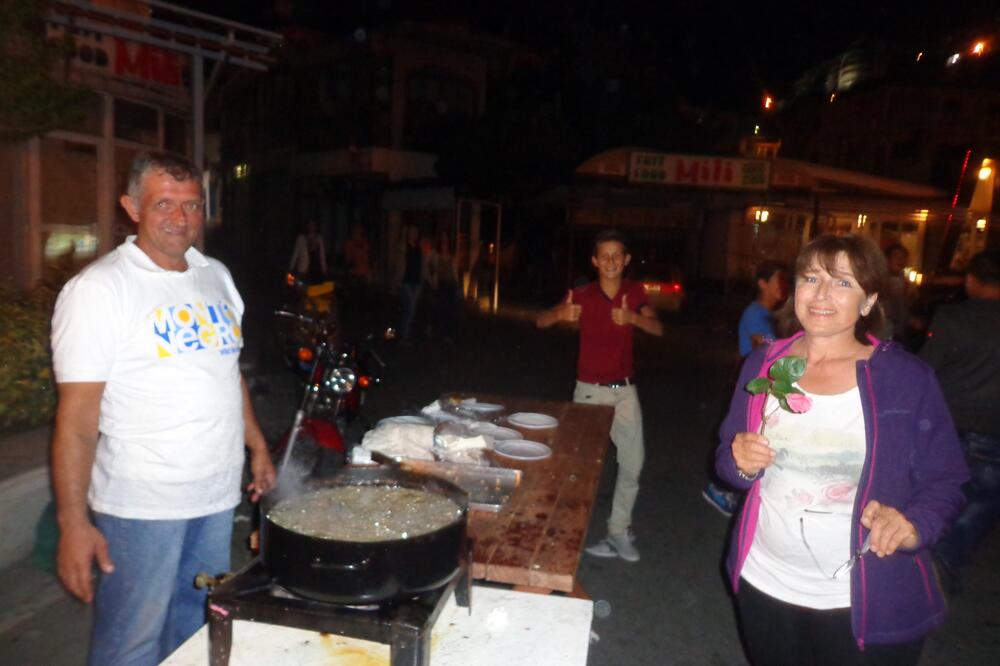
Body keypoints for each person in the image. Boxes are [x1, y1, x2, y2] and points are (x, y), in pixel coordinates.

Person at [50, 152, 277, 666]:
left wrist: (257, 445)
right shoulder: (98, 290)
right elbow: (78, 418)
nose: (180, 217)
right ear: (132, 207)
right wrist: (73, 523)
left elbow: (226, 371)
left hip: (215, 499)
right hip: (140, 508)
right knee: (130, 645)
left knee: (194, 634)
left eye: (192, 205)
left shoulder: (214, 275)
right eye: (164, 204)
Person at [715, 233, 967, 665]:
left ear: (869, 301)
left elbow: (947, 478)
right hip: (767, 582)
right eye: (811, 278)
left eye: (843, 283)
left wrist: (913, 525)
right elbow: (726, 461)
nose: (822, 294)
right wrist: (740, 462)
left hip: (862, 595)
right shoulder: (764, 365)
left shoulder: (906, 378)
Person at [537, 229, 663, 562]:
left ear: (626, 260)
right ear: (594, 261)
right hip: (590, 392)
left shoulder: (634, 292)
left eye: (616, 255)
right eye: (603, 255)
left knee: (632, 463)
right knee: (580, 468)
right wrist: (559, 315)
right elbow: (541, 320)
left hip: (624, 391)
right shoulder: (582, 293)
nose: (610, 261)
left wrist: (632, 317)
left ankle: (617, 532)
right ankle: (566, 531)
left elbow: (658, 327)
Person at [920, 250, 1000, 595]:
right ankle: (948, 554)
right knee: (981, 502)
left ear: (972, 280)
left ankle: (933, 557)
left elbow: (927, 368)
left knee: (938, 493)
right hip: (994, 430)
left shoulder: (952, 317)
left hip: (947, 424)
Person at [703, 260, 787, 517]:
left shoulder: (776, 314)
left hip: (768, 386)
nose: (782, 286)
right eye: (777, 281)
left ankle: (737, 491)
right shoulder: (755, 313)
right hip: (754, 386)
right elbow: (760, 348)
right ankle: (720, 488)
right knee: (743, 436)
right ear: (763, 283)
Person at [427, 231, 461, 341]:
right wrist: (431, 280)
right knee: (440, 309)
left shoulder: (452, 256)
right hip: (441, 285)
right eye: (442, 238)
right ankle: (439, 332)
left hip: (450, 285)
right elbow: (426, 264)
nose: (444, 240)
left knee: (449, 311)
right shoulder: (435, 254)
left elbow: (455, 273)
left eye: (446, 238)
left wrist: (458, 288)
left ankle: (447, 334)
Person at [398, 225, 426, 343]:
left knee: (411, 309)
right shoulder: (404, 247)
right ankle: (404, 335)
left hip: (417, 282)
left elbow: (422, 264)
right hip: (406, 281)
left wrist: (424, 278)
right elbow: (399, 263)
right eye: (411, 232)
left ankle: (406, 334)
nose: (414, 234)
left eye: (415, 232)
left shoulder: (419, 248)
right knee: (410, 307)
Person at [881, 243, 912, 343]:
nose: (900, 260)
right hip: (884, 331)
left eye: (903, 258)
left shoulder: (901, 278)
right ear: (887, 259)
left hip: (898, 330)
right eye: (897, 257)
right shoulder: (880, 279)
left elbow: (903, 306)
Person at [288, 219, 327, 284]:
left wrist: (324, 268)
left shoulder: (319, 238)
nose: (311, 227)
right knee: (301, 286)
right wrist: (291, 267)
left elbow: (322, 255)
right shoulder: (301, 238)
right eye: (310, 225)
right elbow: (296, 254)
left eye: (313, 225)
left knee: (314, 287)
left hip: (316, 269)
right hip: (303, 268)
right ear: (307, 226)